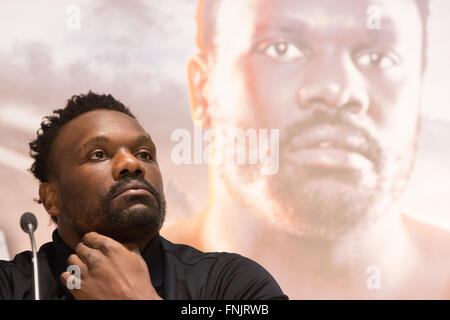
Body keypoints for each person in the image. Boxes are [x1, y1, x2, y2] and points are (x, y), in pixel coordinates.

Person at [161, 0, 450, 299]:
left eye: (378, 57)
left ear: (420, 89)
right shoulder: (129, 279)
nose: (335, 89)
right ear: (202, 89)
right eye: (281, 48)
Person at [0, 92, 288, 300]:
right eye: (98, 154)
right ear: (51, 197)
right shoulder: (10, 286)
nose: (132, 164)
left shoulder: (230, 284)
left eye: (144, 154)